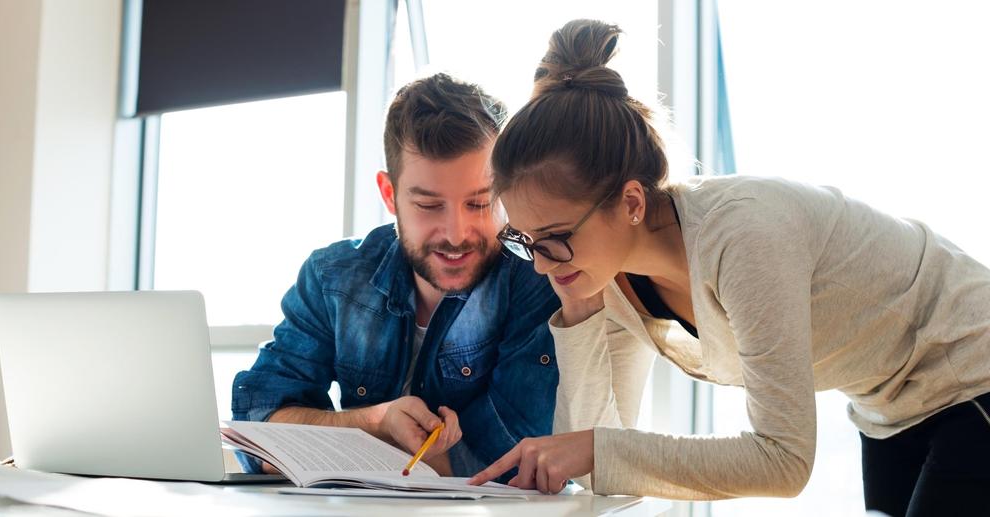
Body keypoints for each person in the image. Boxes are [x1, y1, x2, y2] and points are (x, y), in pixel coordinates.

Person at [468, 19, 990, 516]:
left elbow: (783, 461)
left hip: (971, 362)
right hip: (887, 407)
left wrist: (596, 451)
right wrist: (580, 315)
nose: (539, 265)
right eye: (525, 241)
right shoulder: (612, 279)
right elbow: (600, 460)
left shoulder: (743, 238)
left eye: (556, 239)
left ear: (630, 203)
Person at [232, 73, 560, 478]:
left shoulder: (534, 280)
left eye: (479, 203)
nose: (456, 234)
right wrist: (375, 421)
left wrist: (329, 441)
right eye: (428, 205)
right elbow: (258, 428)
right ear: (389, 195)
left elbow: (514, 457)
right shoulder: (332, 278)